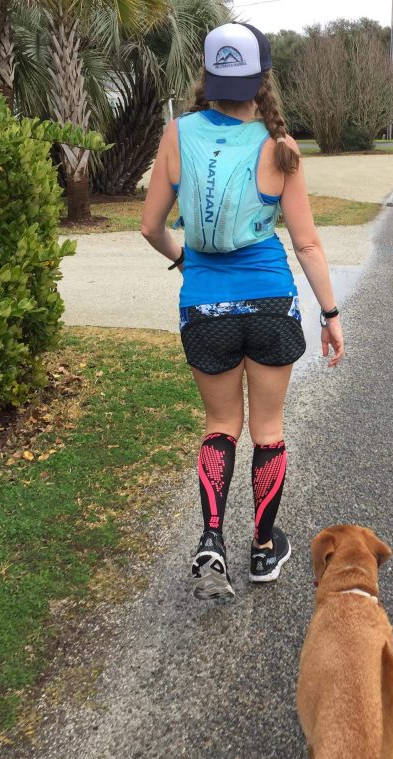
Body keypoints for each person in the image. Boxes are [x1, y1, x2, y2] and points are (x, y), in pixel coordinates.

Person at [141, 22, 344, 600]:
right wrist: (330, 313)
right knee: (269, 429)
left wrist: (187, 262)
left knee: (220, 426)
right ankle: (262, 548)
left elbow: (150, 226)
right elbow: (306, 244)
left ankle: (211, 539)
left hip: (205, 307)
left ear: (207, 77)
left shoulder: (177, 133)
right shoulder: (280, 147)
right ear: (263, 79)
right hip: (270, 301)